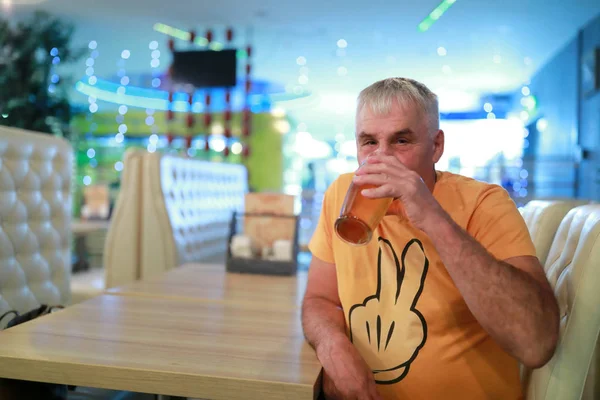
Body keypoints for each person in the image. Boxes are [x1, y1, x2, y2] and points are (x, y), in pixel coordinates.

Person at [301, 77, 559, 400]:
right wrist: (332, 345)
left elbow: (536, 342)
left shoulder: (484, 203)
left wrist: (433, 217)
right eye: (369, 142)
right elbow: (319, 300)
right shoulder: (340, 194)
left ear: (436, 146)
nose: (382, 159)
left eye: (401, 141)